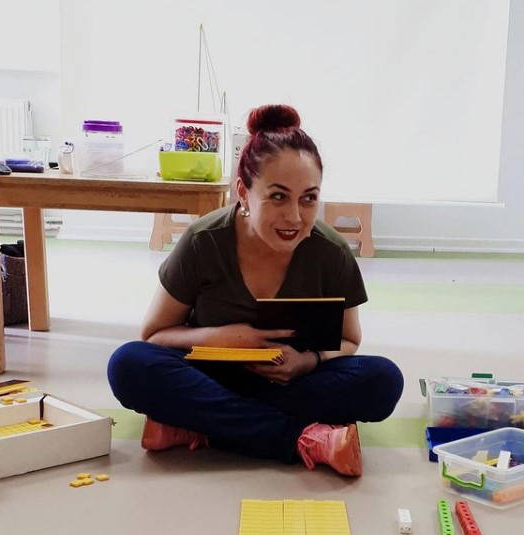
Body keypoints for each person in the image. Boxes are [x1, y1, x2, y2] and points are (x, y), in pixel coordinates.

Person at [107, 104, 403, 477]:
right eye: (278, 196)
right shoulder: (204, 241)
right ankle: (302, 438)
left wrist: (307, 361)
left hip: (289, 382)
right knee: (129, 364)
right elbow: (153, 336)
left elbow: (349, 340)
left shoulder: (330, 252)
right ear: (243, 193)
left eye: (309, 198)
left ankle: (199, 424)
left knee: (383, 380)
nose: (295, 216)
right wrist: (221, 338)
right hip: (207, 376)